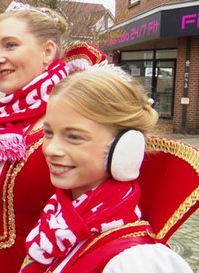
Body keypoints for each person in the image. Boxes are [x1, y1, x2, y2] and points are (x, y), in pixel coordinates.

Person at [0, 6, 107, 273]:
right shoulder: (2, 119)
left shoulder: (82, 118)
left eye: (10, 45)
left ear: (47, 51)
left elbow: (96, 218)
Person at [20, 64, 194, 273]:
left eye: (74, 137)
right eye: (48, 133)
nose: (51, 149)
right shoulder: (57, 217)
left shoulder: (133, 262)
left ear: (126, 145)